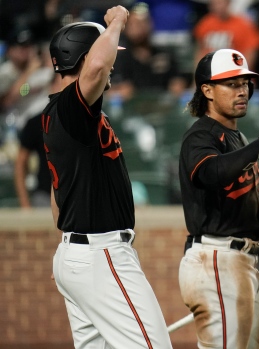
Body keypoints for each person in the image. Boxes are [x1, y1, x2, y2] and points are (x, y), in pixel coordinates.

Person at [43, 9, 173, 349]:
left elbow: (59, 201)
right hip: (101, 253)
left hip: (81, 252)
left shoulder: (63, 115)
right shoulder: (71, 108)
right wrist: (116, 22)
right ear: (82, 58)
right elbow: (99, 66)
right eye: (109, 52)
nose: (113, 64)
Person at [178, 48, 259, 349]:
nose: (242, 90)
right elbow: (211, 174)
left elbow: (239, 207)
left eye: (244, 83)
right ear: (207, 90)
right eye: (231, 83)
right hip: (216, 260)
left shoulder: (238, 138)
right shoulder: (200, 136)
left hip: (239, 261)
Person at [109, 2, 187, 101]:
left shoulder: (165, 55)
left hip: (162, 109)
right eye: (133, 24)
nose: (139, 27)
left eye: (143, 22)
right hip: (131, 112)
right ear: (125, 27)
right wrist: (117, 91)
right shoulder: (118, 58)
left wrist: (177, 87)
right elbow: (110, 89)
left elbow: (178, 83)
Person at [193, 0, 259, 69]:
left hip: (235, 71)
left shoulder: (244, 25)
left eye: (220, 3)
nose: (217, 6)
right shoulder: (205, 24)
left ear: (228, 3)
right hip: (211, 73)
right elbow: (200, 51)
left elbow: (251, 52)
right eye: (213, 3)